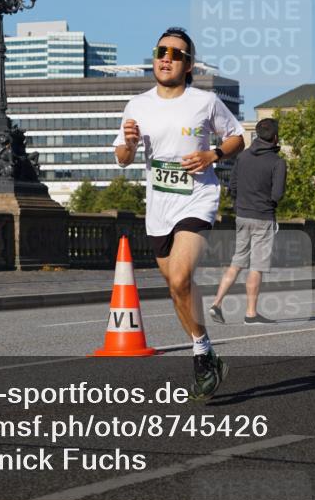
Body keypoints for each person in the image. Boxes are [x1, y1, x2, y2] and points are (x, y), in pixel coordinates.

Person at [114, 27, 244, 400]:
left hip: (197, 199)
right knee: (176, 288)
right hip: (159, 207)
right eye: (161, 51)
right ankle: (205, 351)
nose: (167, 58)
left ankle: (200, 357)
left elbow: (237, 137)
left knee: (181, 276)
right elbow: (122, 158)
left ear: (188, 65)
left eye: (176, 54)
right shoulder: (137, 105)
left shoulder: (205, 102)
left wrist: (211, 155)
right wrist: (130, 145)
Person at [209, 118, 287, 325]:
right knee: (257, 266)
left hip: (242, 215)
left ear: (257, 135)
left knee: (236, 262)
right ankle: (251, 314)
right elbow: (278, 194)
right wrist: (268, 203)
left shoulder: (242, 157)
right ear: (275, 137)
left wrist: (240, 205)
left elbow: (232, 185)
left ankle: (216, 303)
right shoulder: (277, 162)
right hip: (263, 217)